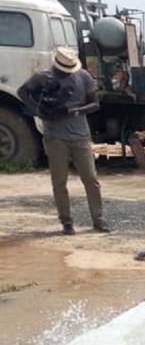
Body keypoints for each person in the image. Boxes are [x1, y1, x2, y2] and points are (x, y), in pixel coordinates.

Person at [18, 47, 108, 234]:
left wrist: (73, 111)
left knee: (91, 179)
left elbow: (95, 104)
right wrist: (38, 110)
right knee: (59, 181)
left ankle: (98, 220)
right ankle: (66, 222)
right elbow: (22, 91)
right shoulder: (43, 77)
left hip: (80, 135)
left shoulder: (83, 76)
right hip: (55, 136)